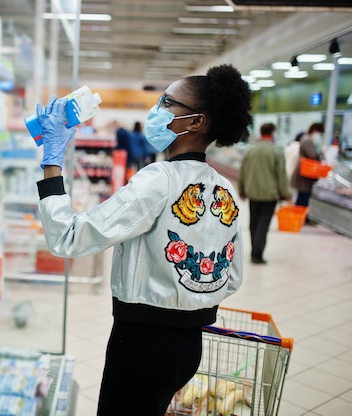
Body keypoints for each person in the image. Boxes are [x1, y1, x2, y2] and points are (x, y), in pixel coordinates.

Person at [32, 64, 250, 415]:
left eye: (168, 103)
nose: (157, 110)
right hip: (189, 347)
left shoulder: (157, 180)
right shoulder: (223, 188)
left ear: (196, 122)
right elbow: (232, 277)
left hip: (141, 345)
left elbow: (68, 238)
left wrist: (52, 162)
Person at [237, 123, 292, 264]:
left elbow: (242, 172)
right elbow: (281, 176)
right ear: (272, 133)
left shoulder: (251, 151)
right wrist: (286, 193)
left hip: (253, 193)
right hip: (270, 194)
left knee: (253, 223)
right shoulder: (277, 152)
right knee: (263, 224)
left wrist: (242, 190)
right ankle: (257, 254)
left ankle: (254, 249)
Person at [290, 122, 325, 222]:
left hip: (306, 173)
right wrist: (322, 152)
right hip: (304, 174)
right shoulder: (307, 140)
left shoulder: (307, 139)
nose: (319, 135)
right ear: (315, 130)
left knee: (303, 197)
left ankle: (301, 217)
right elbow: (312, 155)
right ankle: (300, 218)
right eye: (320, 132)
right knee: (303, 197)